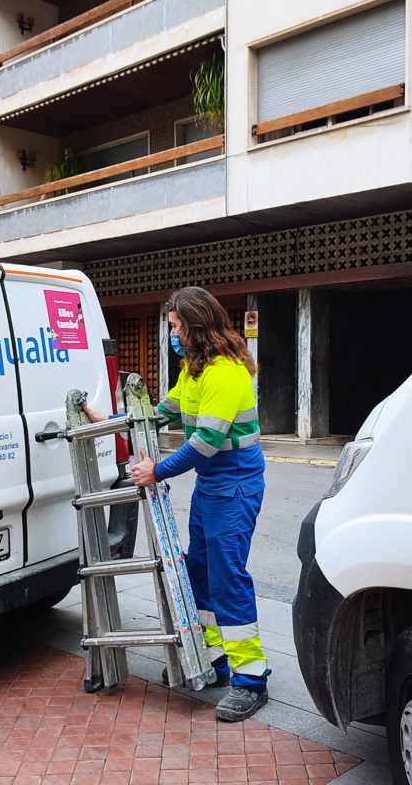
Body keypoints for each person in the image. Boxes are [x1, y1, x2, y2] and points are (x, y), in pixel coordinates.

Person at [86, 287, 269, 721]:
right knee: (200, 571)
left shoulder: (225, 373)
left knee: (227, 575)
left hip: (236, 484)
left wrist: (158, 471)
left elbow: (206, 442)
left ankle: (252, 679)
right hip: (213, 486)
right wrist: (110, 420)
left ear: (193, 325)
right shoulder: (195, 370)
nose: (171, 334)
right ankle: (218, 660)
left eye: (173, 327)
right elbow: (159, 413)